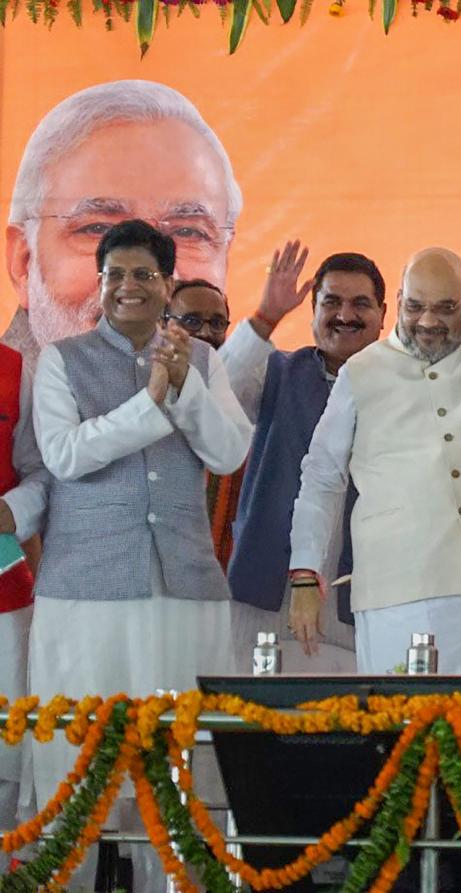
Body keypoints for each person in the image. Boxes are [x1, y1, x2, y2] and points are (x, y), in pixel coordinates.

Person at [287, 145, 461, 675]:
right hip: (401, 588)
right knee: (410, 742)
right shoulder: (361, 372)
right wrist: (306, 574)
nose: (428, 322)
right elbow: (322, 478)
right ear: (398, 302)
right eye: (416, 307)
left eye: (445, 309)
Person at [27, 220, 250, 890]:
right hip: (84, 598)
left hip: (183, 595)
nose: (129, 287)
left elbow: (230, 452)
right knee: (76, 771)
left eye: (143, 275)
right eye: (115, 274)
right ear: (99, 285)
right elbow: (66, 456)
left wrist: (182, 385)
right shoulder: (59, 362)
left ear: (167, 284)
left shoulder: (203, 359)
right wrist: (152, 400)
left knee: (183, 771)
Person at [221, 244, 387, 673]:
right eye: (331, 302)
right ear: (312, 312)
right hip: (267, 590)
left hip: (364, 597)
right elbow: (214, 396)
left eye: (360, 304)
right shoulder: (277, 371)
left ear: (384, 315)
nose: (344, 315)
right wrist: (265, 317)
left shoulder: (405, 386)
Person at [4, 80, 241, 361]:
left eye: (188, 232)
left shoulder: (265, 395)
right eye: (99, 229)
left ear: (225, 258)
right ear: (23, 262)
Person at [0, 344, 47, 834]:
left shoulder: (14, 369)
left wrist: (9, 511)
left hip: (4, 595)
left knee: (4, 758)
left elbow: (38, 470)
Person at [166, 279, 240, 565]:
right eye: (191, 321)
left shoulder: (244, 388)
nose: (206, 333)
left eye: (217, 323)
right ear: (162, 323)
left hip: (223, 567)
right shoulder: (137, 389)